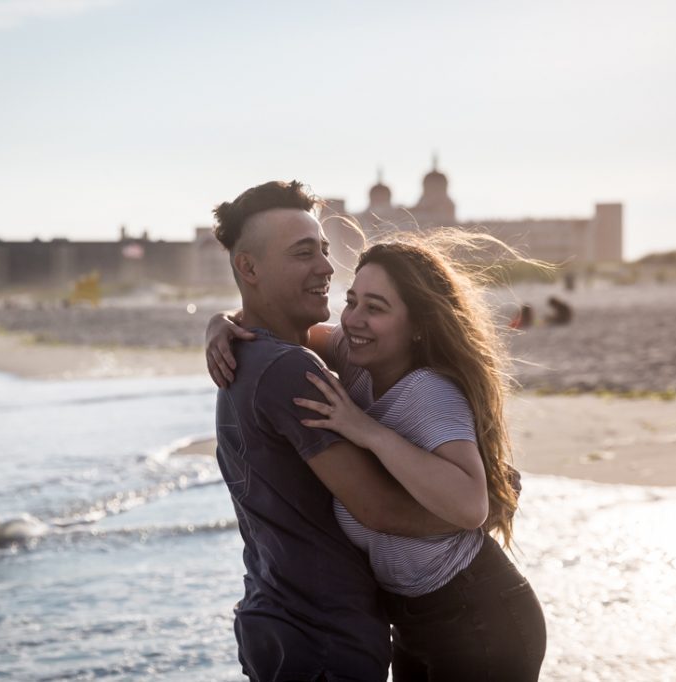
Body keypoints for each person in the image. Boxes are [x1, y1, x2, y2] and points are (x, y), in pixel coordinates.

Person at [208, 231, 548, 681]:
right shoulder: (353, 357)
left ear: (419, 324)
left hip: (480, 617)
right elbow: (279, 327)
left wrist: (367, 431)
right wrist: (220, 322)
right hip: (411, 624)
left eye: (376, 308)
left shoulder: (430, 395)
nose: (354, 320)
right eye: (352, 301)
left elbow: (471, 507)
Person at [207, 180, 458, 682]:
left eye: (323, 250)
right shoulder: (287, 369)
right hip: (322, 637)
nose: (326, 267)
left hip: (275, 621)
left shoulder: (246, 353)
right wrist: (479, 510)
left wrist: (221, 319)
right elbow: (381, 509)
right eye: (303, 254)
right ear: (248, 268)